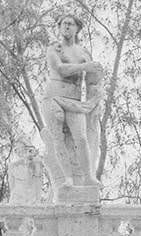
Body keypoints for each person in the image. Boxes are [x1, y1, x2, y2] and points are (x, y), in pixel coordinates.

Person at [40, 13, 104, 188]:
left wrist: (96, 91)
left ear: (77, 28)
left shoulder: (84, 52)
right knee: (58, 138)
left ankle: (89, 177)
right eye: (64, 23)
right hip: (53, 96)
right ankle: (67, 178)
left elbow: (93, 77)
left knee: (82, 138)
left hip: (75, 100)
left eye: (70, 24)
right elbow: (60, 69)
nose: (67, 26)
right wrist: (84, 66)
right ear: (59, 27)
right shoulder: (54, 48)